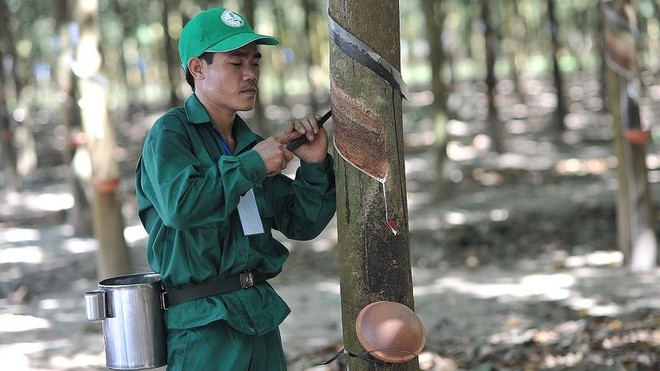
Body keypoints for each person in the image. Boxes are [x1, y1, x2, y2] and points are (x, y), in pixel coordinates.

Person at [135, 7, 336, 370]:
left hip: (259, 317)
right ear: (198, 69)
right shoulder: (171, 134)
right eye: (236, 63)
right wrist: (252, 165)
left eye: (255, 63)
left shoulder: (248, 143)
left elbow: (301, 223)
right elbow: (181, 207)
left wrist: (314, 164)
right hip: (203, 327)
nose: (250, 75)